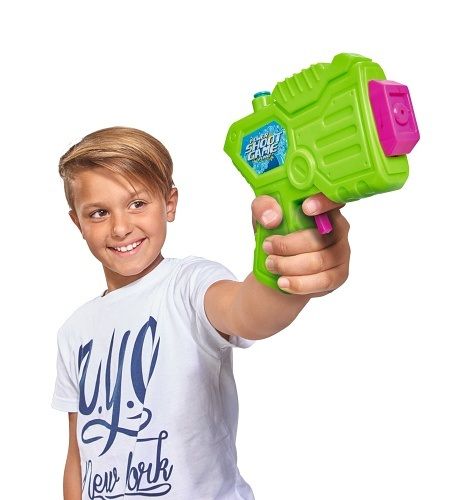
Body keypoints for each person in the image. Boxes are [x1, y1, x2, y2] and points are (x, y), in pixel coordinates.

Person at [51, 126, 350, 500]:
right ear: (77, 222)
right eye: (98, 213)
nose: (121, 227)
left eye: (137, 204)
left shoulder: (188, 284)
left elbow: (248, 312)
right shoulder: (74, 331)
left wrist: (284, 273)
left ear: (169, 203)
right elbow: (78, 454)